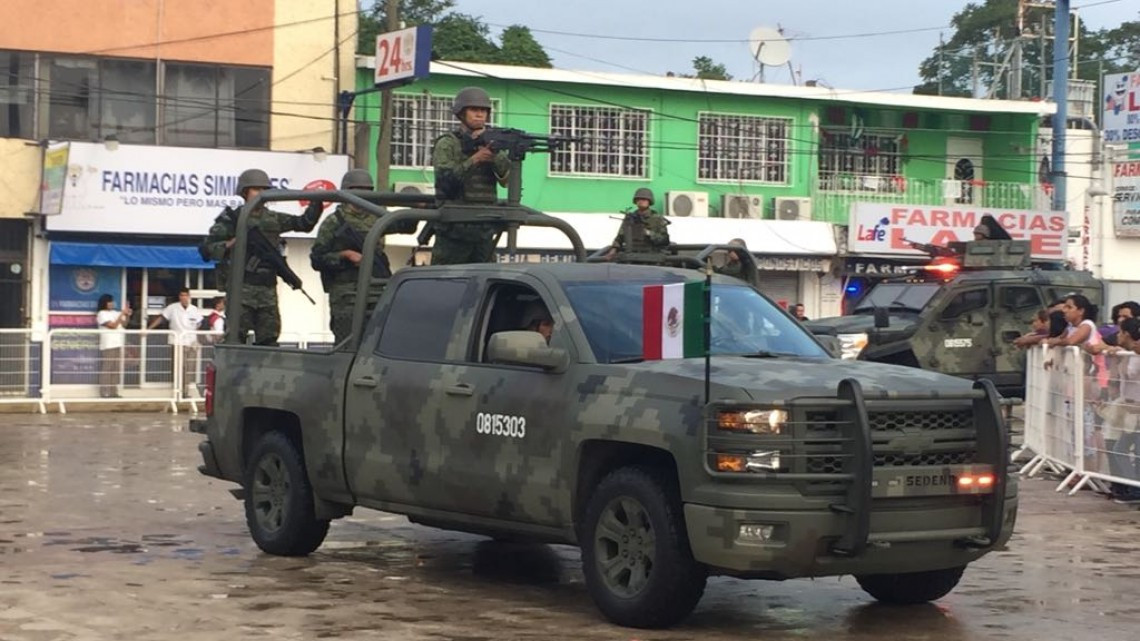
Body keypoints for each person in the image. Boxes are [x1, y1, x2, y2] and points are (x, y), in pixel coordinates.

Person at [200, 168, 321, 346]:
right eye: (256, 189)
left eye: (264, 190)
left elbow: (304, 224)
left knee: (269, 339)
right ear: (244, 192)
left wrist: (316, 204)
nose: (261, 194)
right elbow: (207, 250)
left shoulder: (273, 219)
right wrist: (233, 242)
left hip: (267, 289)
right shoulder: (232, 219)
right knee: (235, 338)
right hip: (241, 289)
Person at [310, 169, 414, 344]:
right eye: (357, 189)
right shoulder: (334, 222)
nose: (362, 194)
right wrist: (345, 255)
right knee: (347, 343)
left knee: (378, 341)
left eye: (366, 189)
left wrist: (415, 209)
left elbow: (406, 226)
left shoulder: (376, 216)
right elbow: (317, 259)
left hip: (376, 288)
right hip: (347, 294)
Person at [429, 86, 512, 265]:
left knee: (484, 285)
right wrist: (474, 160)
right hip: (454, 232)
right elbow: (444, 183)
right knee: (445, 284)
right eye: (474, 110)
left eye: (483, 110)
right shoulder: (448, 143)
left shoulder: (492, 142)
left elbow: (507, 179)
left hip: (484, 232)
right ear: (461, 113)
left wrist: (495, 154)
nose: (479, 115)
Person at [148, 288, 203, 398]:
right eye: (181, 295)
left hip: (191, 342)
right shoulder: (172, 308)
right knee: (178, 367)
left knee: (189, 368)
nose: (183, 297)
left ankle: (185, 392)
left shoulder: (194, 309)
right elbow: (162, 318)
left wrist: (196, 333)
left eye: (185, 295)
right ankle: (177, 391)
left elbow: (199, 322)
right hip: (177, 341)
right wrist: (149, 329)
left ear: (189, 296)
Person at [605, 187, 671, 260]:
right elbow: (620, 237)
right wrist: (613, 249)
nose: (640, 201)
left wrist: (648, 233)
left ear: (649, 201)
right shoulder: (630, 217)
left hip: (652, 255)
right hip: (631, 255)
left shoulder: (657, 219)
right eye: (638, 199)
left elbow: (665, 240)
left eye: (644, 199)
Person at [96, 294, 131, 398]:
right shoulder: (101, 313)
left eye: (112, 301)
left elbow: (124, 325)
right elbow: (113, 326)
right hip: (108, 344)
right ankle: (104, 392)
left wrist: (127, 315)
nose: (111, 304)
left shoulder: (116, 312)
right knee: (107, 368)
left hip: (118, 342)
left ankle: (113, 392)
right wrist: (122, 314)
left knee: (116, 368)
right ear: (104, 303)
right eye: (109, 302)